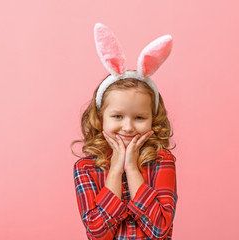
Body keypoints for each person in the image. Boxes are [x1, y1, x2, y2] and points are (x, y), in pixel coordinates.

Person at [72, 23, 178, 240]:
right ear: (101, 117)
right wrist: (114, 171)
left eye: (139, 118)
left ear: (153, 119)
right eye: (118, 116)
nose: (128, 127)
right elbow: (97, 233)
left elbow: (159, 230)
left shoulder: (162, 161)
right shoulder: (85, 168)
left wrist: (131, 169)